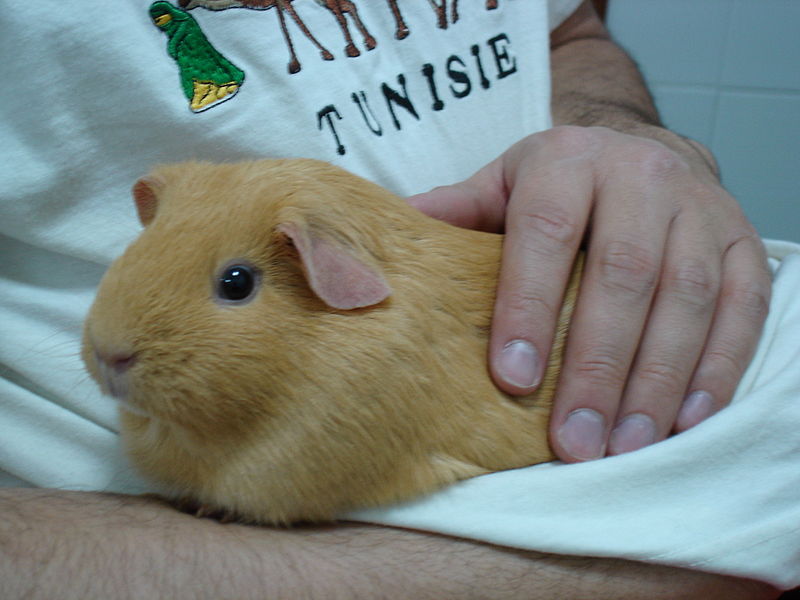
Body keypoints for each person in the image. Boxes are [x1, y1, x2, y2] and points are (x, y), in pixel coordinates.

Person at [0, 1, 795, 597]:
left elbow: (570, 27)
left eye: (237, 286)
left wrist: (630, 137)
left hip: (619, 401)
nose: (115, 341)